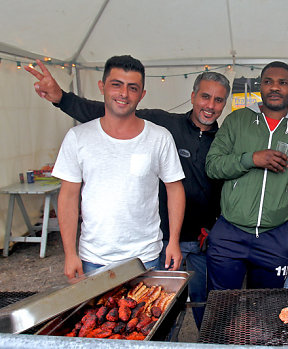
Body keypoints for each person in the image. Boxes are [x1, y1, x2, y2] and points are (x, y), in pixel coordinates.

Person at [25, 61, 229, 329]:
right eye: (205, 96)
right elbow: (111, 109)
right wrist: (62, 98)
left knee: (196, 307)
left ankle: (206, 343)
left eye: (218, 100)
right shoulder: (165, 125)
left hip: (193, 242)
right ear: (192, 97)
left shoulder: (226, 140)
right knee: (120, 320)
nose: (210, 105)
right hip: (139, 246)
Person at [50, 55, 186, 279]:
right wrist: (70, 253)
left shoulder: (159, 137)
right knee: (98, 315)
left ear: (142, 95)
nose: (124, 94)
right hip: (93, 257)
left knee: (145, 314)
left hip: (146, 256)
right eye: (117, 85)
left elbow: (175, 188)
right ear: (102, 87)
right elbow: (68, 196)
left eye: (133, 88)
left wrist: (173, 241)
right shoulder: (78, 137)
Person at [205, 61, 288, 291]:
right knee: (222, 307)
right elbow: (212, 166)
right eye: (268, 82)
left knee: (266, 311)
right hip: (229, 233)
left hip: (275, 237)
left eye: (282, 83)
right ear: (261, 87)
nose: (275, 88)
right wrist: (251, 159)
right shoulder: (237, 120)